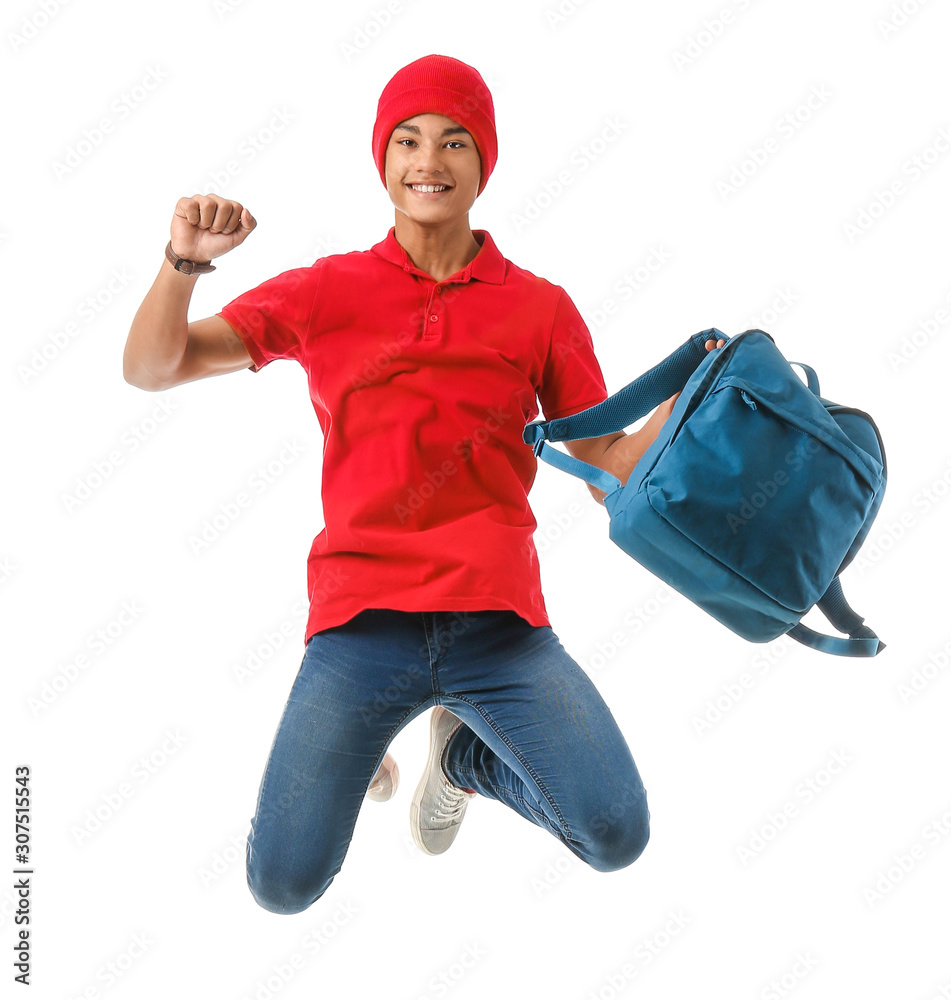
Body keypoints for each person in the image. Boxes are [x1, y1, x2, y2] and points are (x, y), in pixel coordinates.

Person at [123, 53, 723, 915]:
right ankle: (368, 747)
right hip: (360, 625)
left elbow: (604, 468)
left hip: (499, 627)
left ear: (483, 163)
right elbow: (153, 368)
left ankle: (463, 761)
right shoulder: (327, 289)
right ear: (383, 160)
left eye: (453, 141)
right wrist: (182, 261)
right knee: (281, 886)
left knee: (613, 834)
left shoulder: (539, 308)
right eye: (406, 140)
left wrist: (690, 403)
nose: (427, 161)